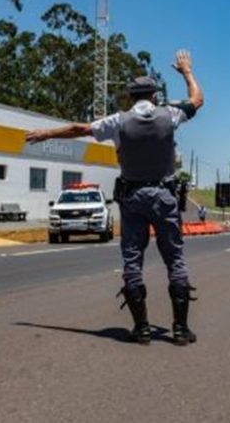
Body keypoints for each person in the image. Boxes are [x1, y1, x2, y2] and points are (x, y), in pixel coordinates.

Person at [26, 50, 204, 346]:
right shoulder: (170, 115)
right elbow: (198, 99)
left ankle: (142, 329)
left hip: (132, 197)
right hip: (164, 195)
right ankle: (181, 330)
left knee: (132, 260)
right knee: (174, 259)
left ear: (130, 97)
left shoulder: (117, 121)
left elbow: (78, 128)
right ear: (155, 95)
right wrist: (186, 71)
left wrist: (46, 133)